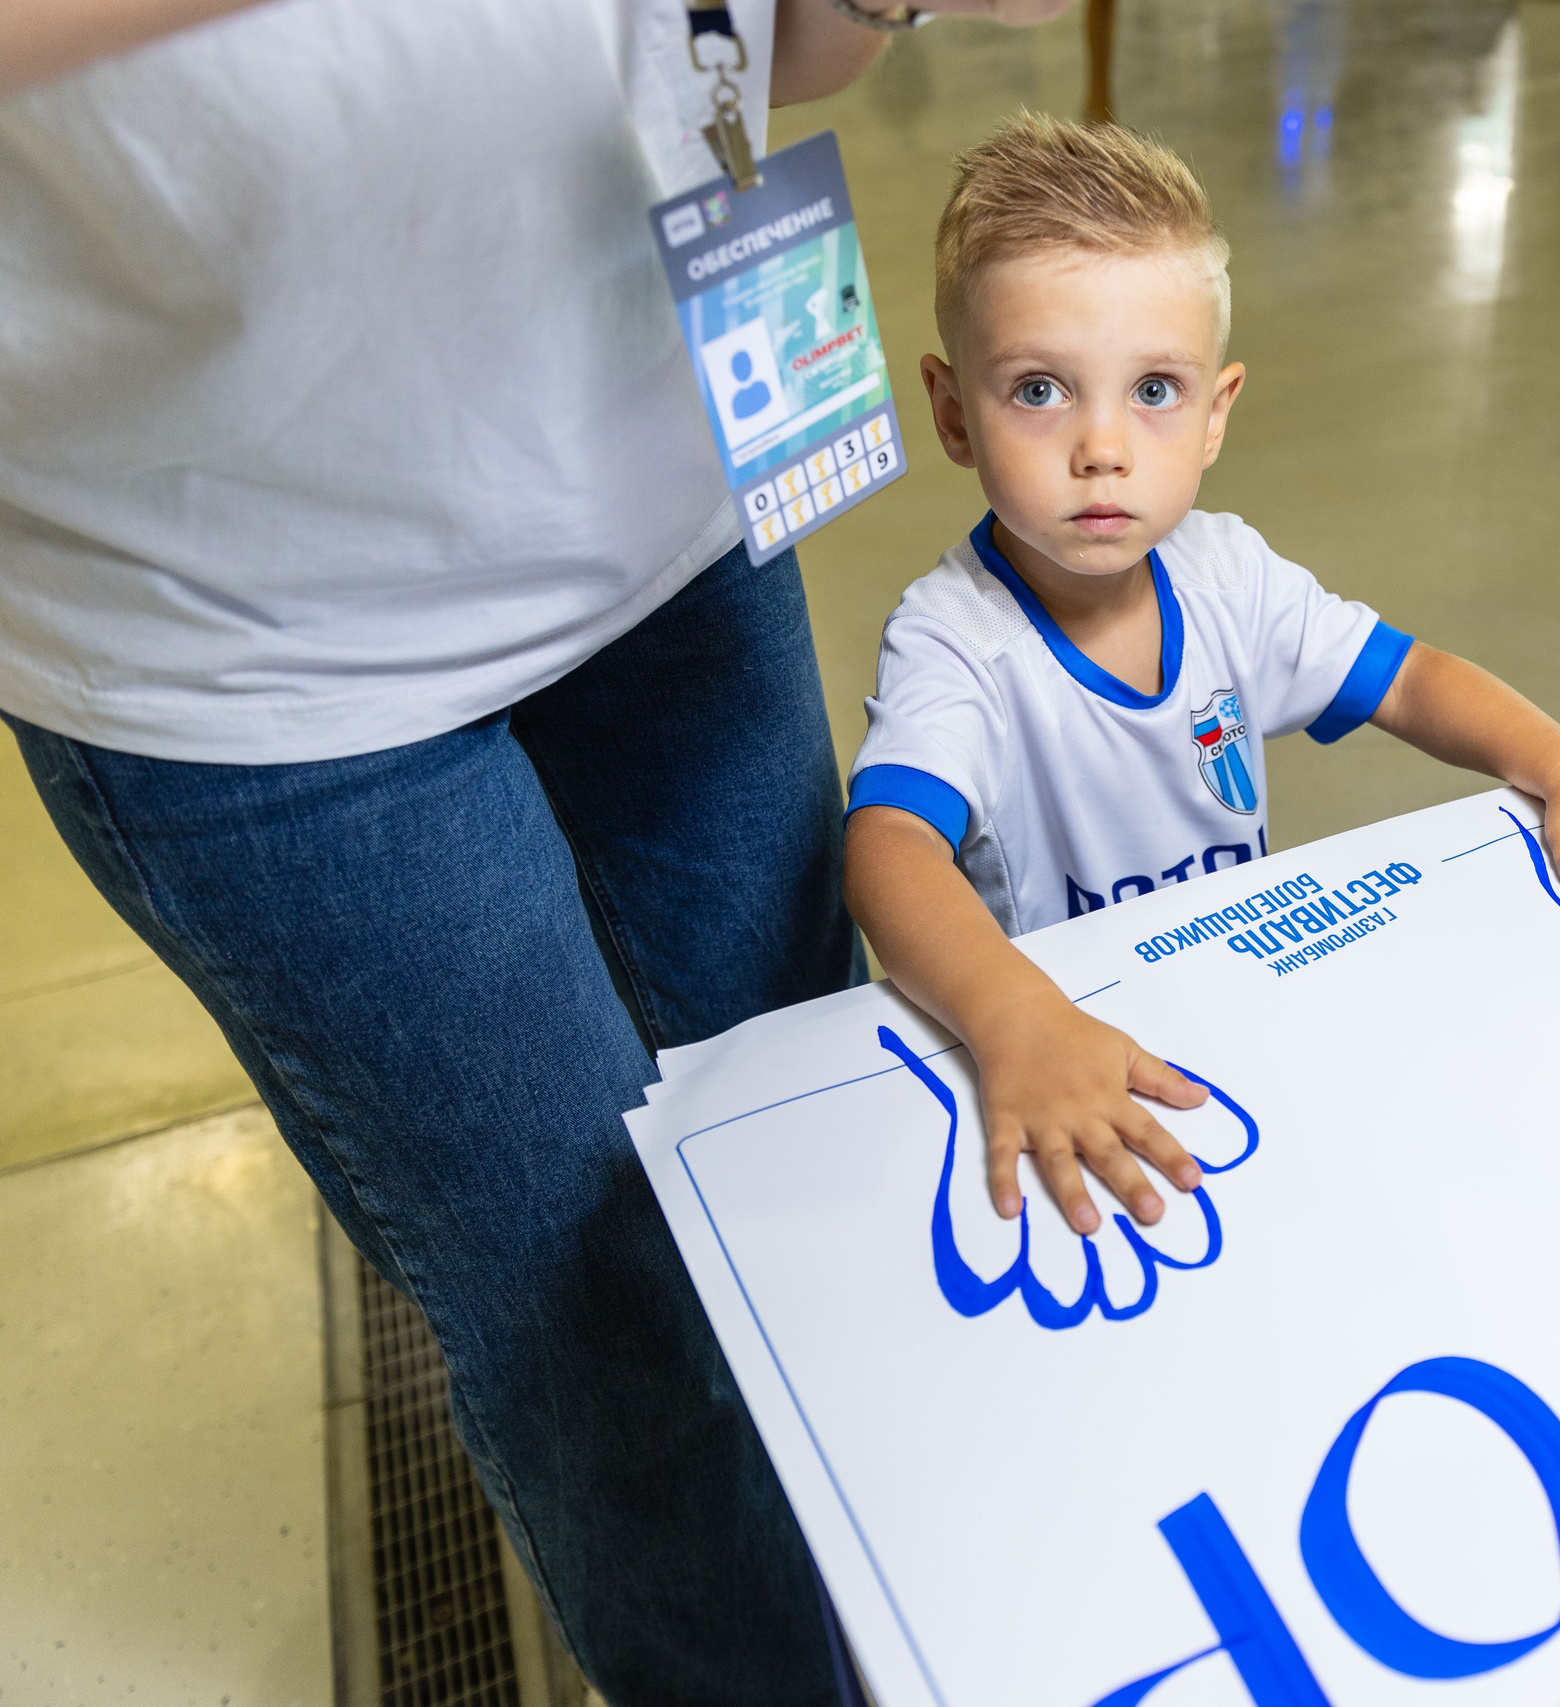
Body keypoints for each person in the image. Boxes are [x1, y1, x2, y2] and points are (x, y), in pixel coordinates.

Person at [0, 1, 1061, 1701]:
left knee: (821, 1173)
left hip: (673, 486)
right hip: (256, 648)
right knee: (607, 1335)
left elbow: (730, 54)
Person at [841, 117, 1560, 1237]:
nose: (1102, 447)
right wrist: (1012, 1020)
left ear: (1216, 412)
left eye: (1154, 391)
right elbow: (887, 849)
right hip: (1063, 1063)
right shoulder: (956, 642)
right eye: (1039, 391)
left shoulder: (1228, 575)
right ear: (951, 413)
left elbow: (1412, 680)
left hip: (1227, 1011)